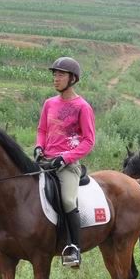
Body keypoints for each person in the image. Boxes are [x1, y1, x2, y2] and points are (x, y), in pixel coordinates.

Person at [34, 57, 95, 267]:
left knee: (68, 201)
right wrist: (38, 147)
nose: (56, 78)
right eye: (55, 74)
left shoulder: (82, 107)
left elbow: (89, 141)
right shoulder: (49, 103)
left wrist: (65, 157)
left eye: (60, 75)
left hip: (67, 165)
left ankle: (74, 249)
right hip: (45, 161)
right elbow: (42, 130)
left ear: (73, 78)